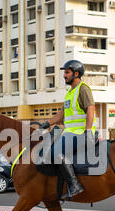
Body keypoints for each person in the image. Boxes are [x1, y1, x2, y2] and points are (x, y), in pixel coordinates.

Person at [39, 60, 97, 200]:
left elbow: (91, 108)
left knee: (56, 152)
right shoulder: (70, 92)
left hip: (81, 133)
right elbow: (62, 114)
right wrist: (47, 123)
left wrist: (88, 131)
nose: (64, 75)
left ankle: (75, 185)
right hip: (70, 133)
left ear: (76, 74)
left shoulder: (83, 89)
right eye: (64, 72)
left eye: (67, 72)